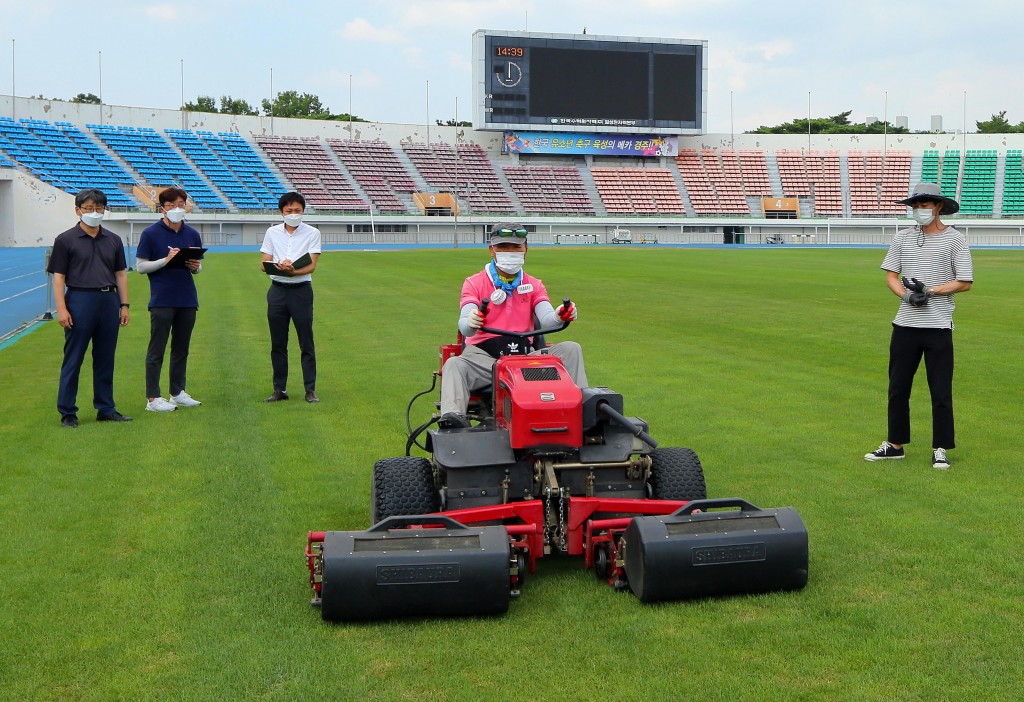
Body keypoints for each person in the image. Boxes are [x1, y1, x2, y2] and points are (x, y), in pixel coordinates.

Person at [864, 183, 973, 470]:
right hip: (904, 325)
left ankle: (940, 448)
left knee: (940, 390)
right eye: (915, 205)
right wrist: (907, 295)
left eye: (924, 205)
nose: (919, 210)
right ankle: (895, 445)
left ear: (938, 207)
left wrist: (931, 291)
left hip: (938, 326)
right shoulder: (902, 238)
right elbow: (891, 276)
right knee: (898, 388)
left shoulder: (956, 240)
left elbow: (964, 282)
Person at [438, 223, 586, 428]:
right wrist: (471, 321)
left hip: (525, 361)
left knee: (571, 349)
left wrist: (560, 315)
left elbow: (547, 318)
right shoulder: (474, 283)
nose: (510, 252)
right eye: (504, 247)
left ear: (526, 250)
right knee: (454, 365)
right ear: (492, 250)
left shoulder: (534, 284)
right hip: (485, 361)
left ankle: (584, 412)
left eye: (516, 247)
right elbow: (465, 325)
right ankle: (453, 418)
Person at [47, 188, 132, 427]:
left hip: (108, 301)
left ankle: (106, 408)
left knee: (105, 358)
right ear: (78, 210)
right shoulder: (65, 240)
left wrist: (124, 305)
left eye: (99, 208)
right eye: (89, 208)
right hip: (79, 300)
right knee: (73, 359)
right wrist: (62, 309)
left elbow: (121, 274)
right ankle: (68, 412)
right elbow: (59, 277)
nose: (94, 213)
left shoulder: (113, 240)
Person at [136, 187, 203, 413]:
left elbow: (198, 267)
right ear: (162, 208)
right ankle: (153, 398)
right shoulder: (150, 234)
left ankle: (177, 392)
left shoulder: (192, 233)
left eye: (181, 204)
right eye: (172, 205)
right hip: (162, 299)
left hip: (186, 298)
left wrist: (196, 266)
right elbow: (141, 266)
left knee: (181, 348)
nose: (177, 209)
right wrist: (165, 260)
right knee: (157, 349)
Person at [260, 192, 321, 403]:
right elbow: (263, 262)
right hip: (277, 290)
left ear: (303, 211)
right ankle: (279, 389)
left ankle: (310, 390)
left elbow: (312, 265)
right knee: (278, 343)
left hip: (301, 291)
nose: (293, 214)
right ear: (281, 212)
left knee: (306, 341)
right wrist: (278, 266)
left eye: (297, 211)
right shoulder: (272, 232)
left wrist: (292, 270)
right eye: (289, 211)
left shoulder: (312, 233)